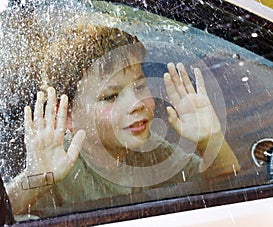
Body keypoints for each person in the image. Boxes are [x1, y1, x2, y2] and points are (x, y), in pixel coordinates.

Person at [6, 22, 240, 217]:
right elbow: (7, 210)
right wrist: (36, 179)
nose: (137, 104)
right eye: (111, 96)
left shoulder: (153, 152)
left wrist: (211, 140)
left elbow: (227, 187)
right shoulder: (58, 163)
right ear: (68, 115)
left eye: (139, 86)